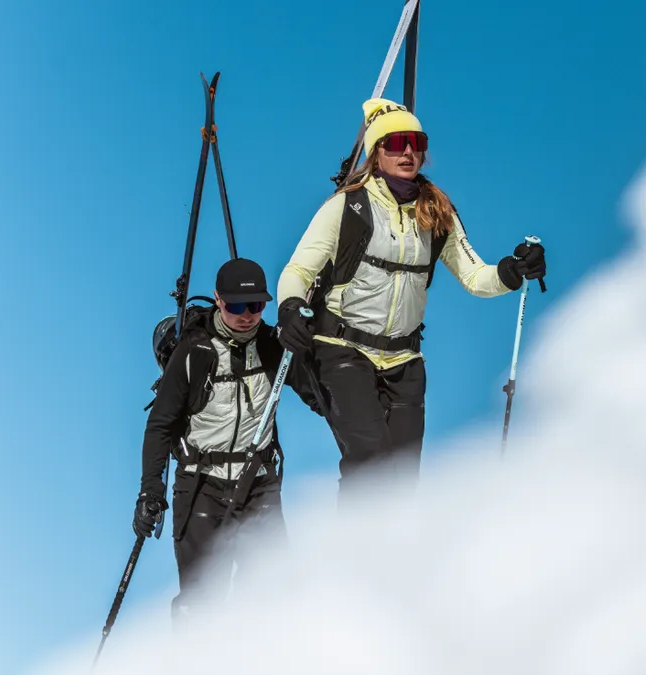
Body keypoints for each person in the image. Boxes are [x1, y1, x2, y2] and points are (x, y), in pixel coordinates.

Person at [275, 97, 546, 496]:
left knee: (401, 483)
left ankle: (390, 557)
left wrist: (513, 270)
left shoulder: (438, 212)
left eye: (416, 142)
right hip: (342, 350)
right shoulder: (347, 207)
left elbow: (475, 276)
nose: (408, 151)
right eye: (396, 141)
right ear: (376, 151)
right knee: (370, 460)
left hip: (405, 361)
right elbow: (298, 270)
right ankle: (348, 555)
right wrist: (290, 308)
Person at [133, 257, 293, 627]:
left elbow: (317, 394)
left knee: (275, 592)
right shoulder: (194, 351)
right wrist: (150, 493)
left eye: (256, 306)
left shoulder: (272, 346)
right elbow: (160, 425)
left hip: (259, 482)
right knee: (202, 601)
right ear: (219, 300)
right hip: (202, 485)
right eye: (237, 305)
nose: (247, 315)